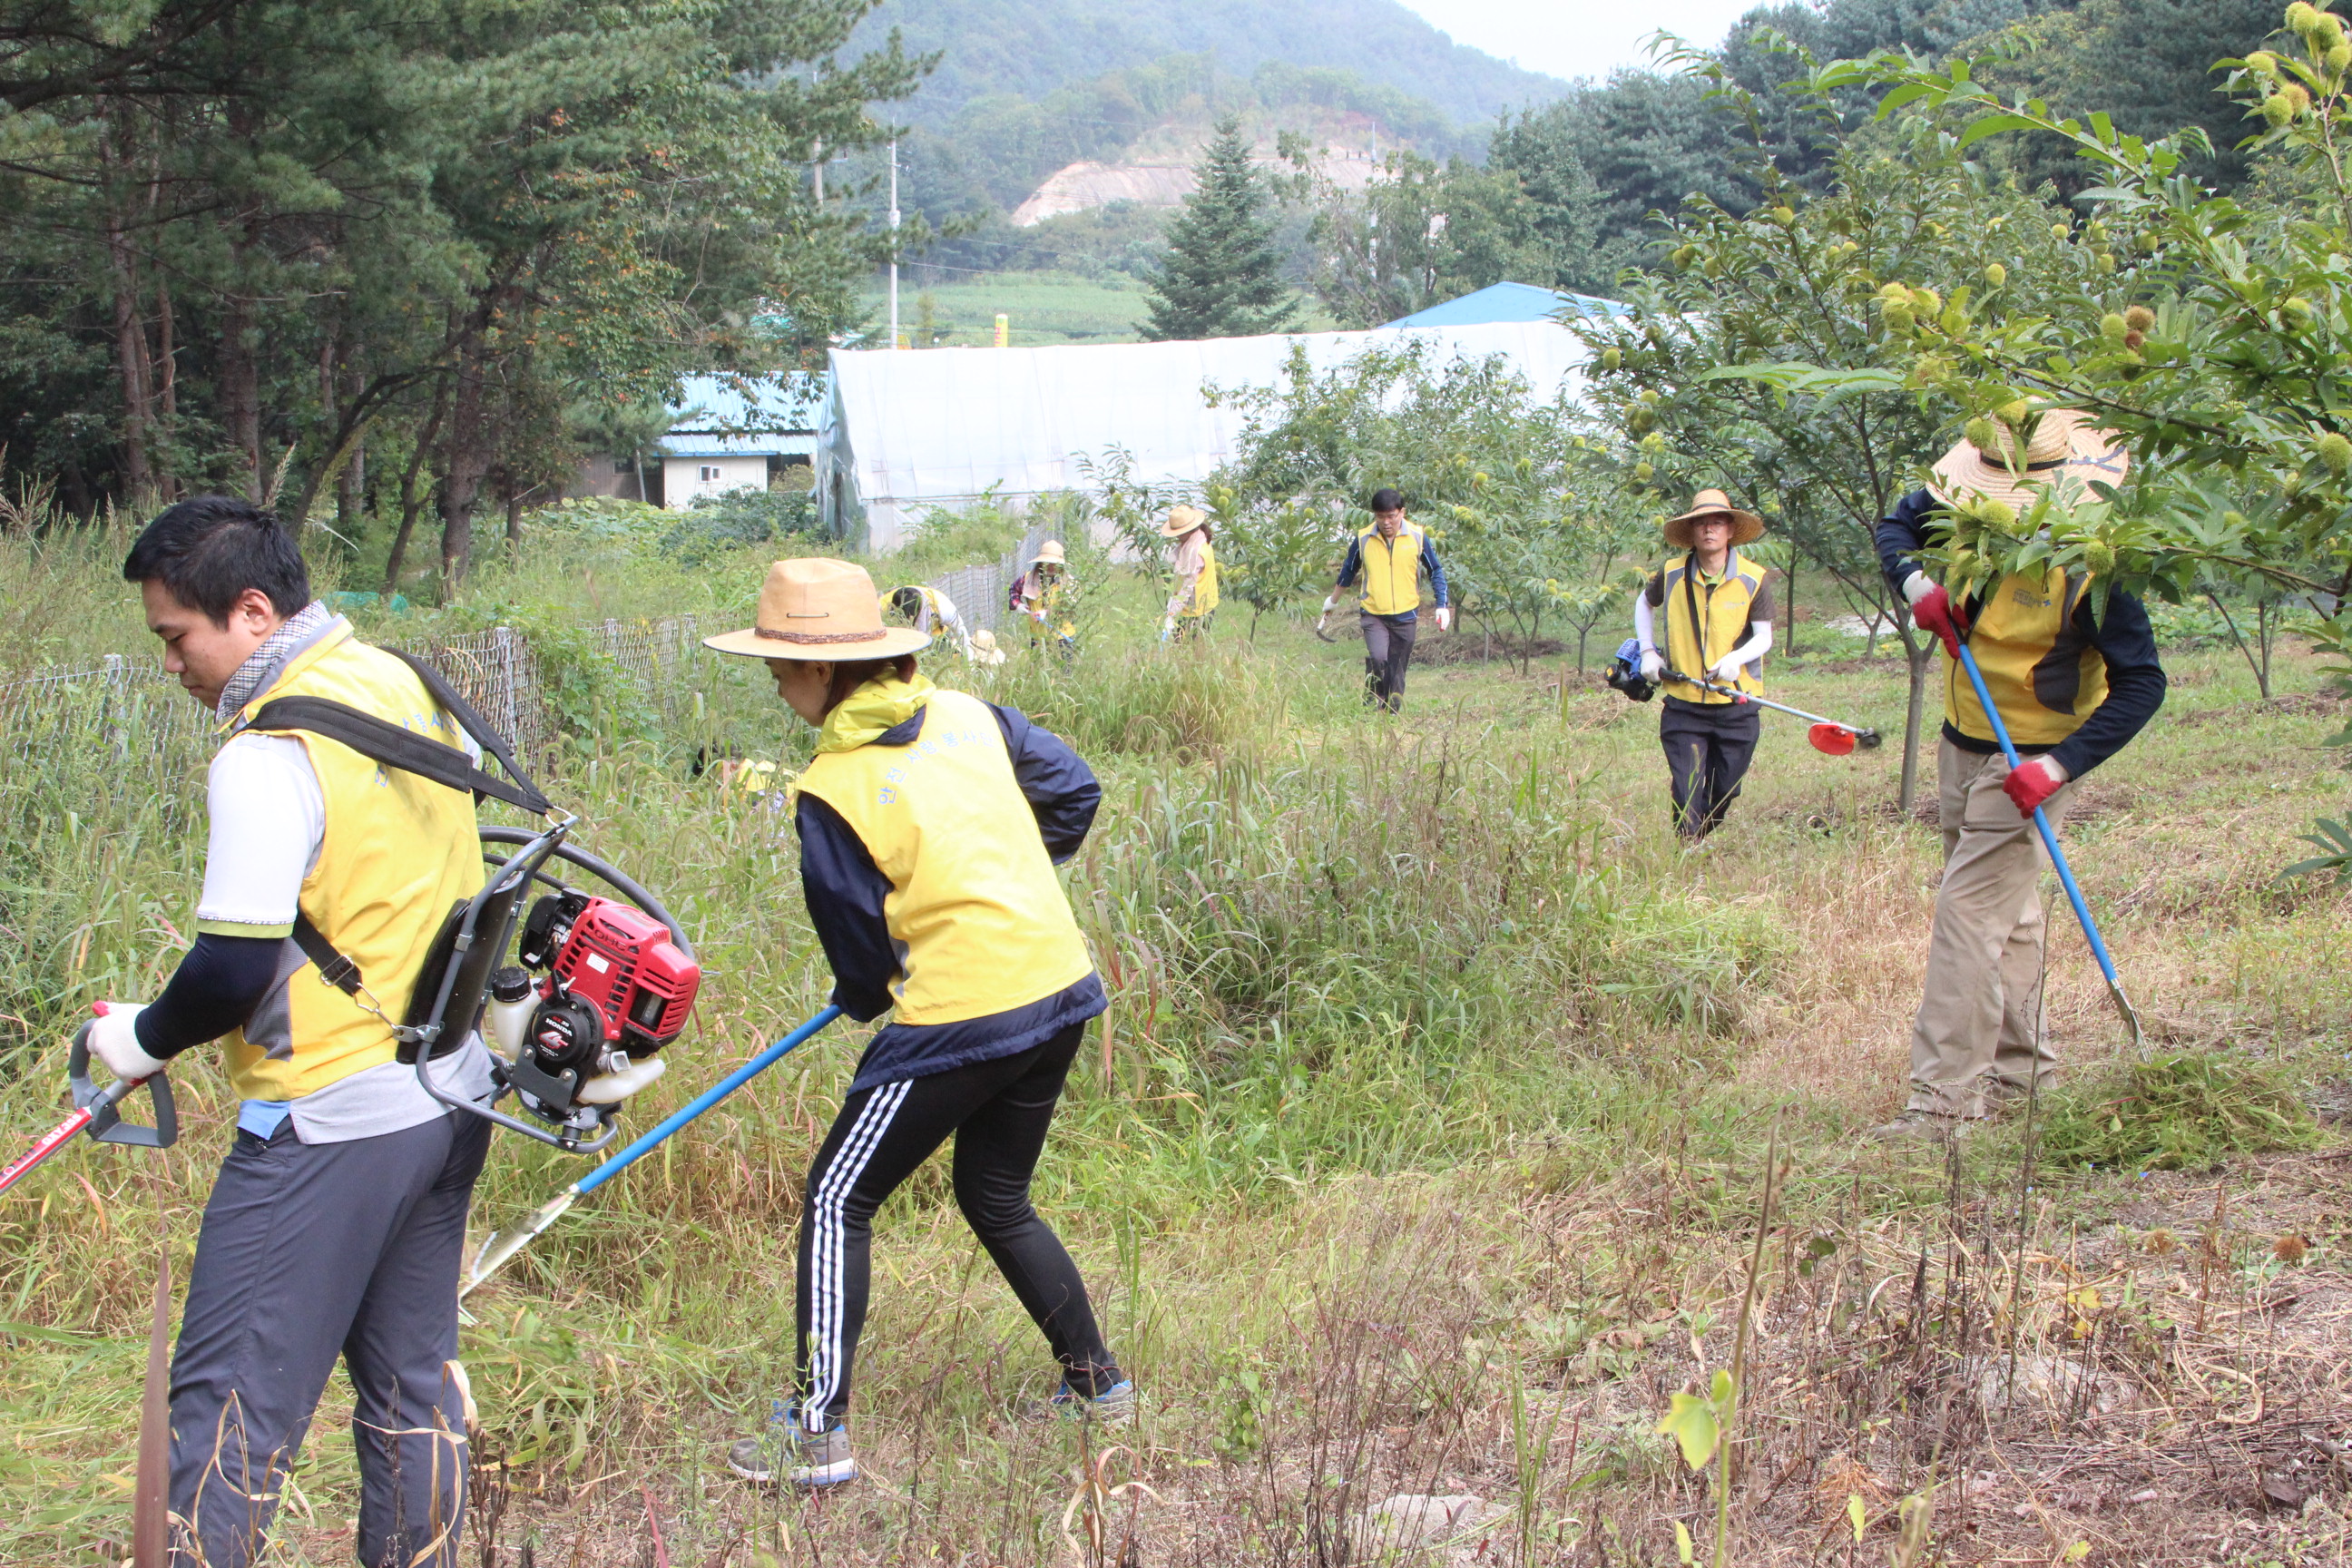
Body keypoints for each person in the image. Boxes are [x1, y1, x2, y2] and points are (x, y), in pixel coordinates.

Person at [88, 496, 494, 1567]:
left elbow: (228, 966)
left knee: (226, 1413)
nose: (171, 665)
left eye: (176, 637)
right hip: (447, 1093)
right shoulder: (399, 681)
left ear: (252, 612)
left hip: (329, 1116)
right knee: (414, 1388)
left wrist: (138, 1040)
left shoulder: (265, 753)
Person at [704, 558, 1130, 1488]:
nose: (775, 686)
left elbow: (861, 964)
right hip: (1058, 989)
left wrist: (879, 985)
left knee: (834, 1199)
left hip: (960, 1014)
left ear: (826, 672)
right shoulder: (971, 717)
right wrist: (1004, 887)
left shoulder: (830, 788)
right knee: (995, 1195)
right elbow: (1075, 792)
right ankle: (1095, 1383)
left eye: (780, 668)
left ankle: (815, 1433)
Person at [1872, 409, 2164, 1138]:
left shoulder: (2096, 567)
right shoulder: (1961, 509)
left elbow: (2143, 683)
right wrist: (1915, 585)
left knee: (1967, 916)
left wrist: (2060, 765)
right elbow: (1894, 528)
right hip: (1962, 734)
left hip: (2029, 758)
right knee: (2013, 915)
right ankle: (2022, 1070)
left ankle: (1941, 1106)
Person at [1632, 490, 1777, 841]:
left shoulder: (1753, 578)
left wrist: (1734, 660)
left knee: (1725, 789)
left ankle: (1699, 836)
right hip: (1684, 703)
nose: (1709, 530)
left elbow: (1763, 638)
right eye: (1701, 523)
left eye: (1716, 523)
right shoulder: (1671, 574)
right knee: (1687, 789)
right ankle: (1687, 851)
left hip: (1736, 704)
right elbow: (1644, 603)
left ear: (1729, 530)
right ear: (1692, 531)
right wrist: (1648, 651)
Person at [1322, 488, 1451, 712]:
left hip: (1406, 613)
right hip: (1374, 613)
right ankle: (1372, 703)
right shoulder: (1364, 539)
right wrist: (1332, 601)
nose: (1386, 522)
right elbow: (1348, 571)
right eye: (1380, 516)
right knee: (1379, 658)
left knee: (1397, 668)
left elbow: (1435, 570)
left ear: (1402, 512)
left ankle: (1392, 714)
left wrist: (1442, 605)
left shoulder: (1417, 537)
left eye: (1391, 516)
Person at [882, 581, 982, 662]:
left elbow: (961, 633)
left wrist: (970, 662)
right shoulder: (881, 607)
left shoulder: (942, 606)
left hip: (937, 636)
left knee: (941, 660)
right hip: (896, 637)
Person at [1159, 505, 1218, 642]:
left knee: (1185, 648)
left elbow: (1187, 587)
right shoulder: (1198, 538)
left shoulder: (1195, 552)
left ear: (1189, 530)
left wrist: (1171, 614)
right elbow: (1176, 555)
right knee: (1185, 647)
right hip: (1200, 605)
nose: (1177, 537)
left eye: (1179, 533)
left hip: (1198, 610)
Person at [1010, 538, 1078, 654]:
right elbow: (1013, 590)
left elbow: (1069, 606)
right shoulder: (1027, 579)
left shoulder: (1069, 583)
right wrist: (1018, 605)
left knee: (1063, 671)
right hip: (1037, 636)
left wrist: (1047, 612)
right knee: (1037, 670)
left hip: (1062, 637)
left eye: (1054, 564)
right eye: (1047, 563)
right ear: (1041, 563)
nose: (1051, 567)